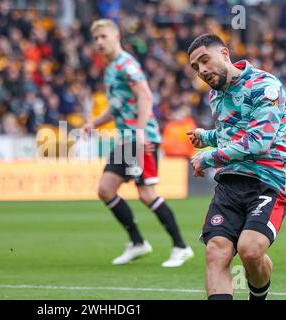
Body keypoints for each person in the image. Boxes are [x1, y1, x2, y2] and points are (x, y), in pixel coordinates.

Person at [186, 34, 286, 300]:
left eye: (204, 60)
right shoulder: (215, 95)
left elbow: (258, 141)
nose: (202, 70)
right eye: (196, 67)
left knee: (250, 250)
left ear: (224, 53)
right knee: (216, 251)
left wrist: (207, 157)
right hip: (230, 183)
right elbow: (231, 134)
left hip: (268, 180)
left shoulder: (264, 86)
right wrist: (207, 136)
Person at [82, 19, 193, 267]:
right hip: (126, 141)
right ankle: (137, 242)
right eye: (96, 38)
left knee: (147, 194)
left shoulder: (126, 64)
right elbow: (116, 107)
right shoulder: (111, 68)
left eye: (103, 37)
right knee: (105, 190)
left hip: (140, 139)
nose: (99, 42)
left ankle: (181, 247)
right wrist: (94, 122)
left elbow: (145, 94)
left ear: (116, 36)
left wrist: (141, 132)